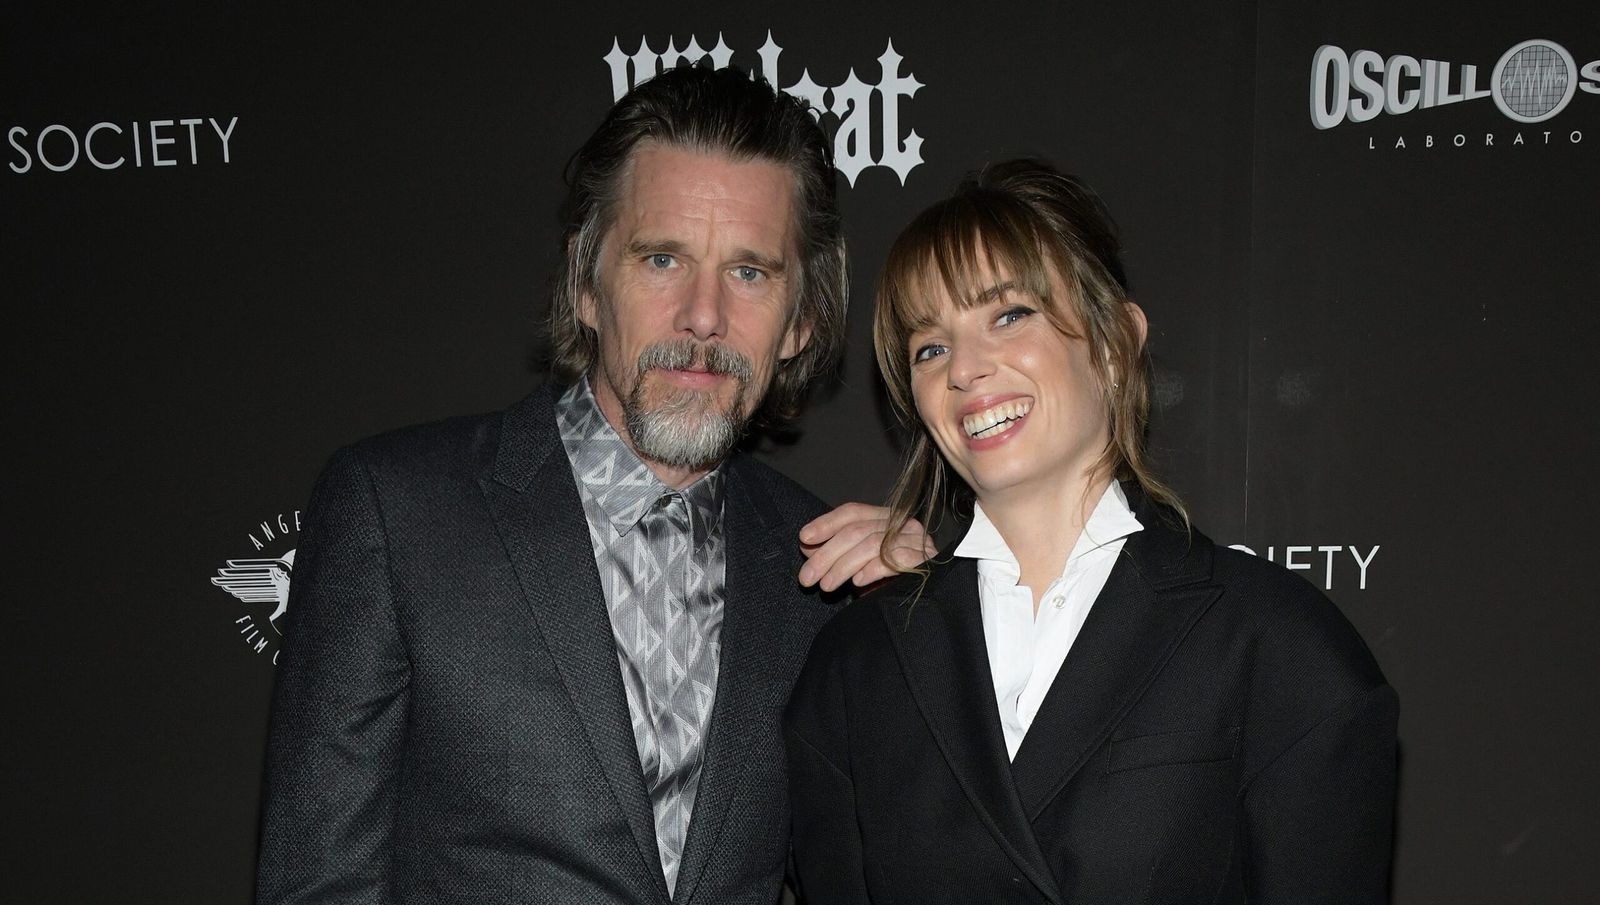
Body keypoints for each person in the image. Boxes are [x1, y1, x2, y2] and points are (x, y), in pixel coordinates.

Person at [256, 64, 929, 904]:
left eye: (750, 272)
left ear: (801, 322)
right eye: (662, 258)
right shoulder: (396, 513)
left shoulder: (822, 573)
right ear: (585, 284)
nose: (704, 314)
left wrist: (929, 630)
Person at [785, 160, 1399, 904]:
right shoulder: (856, 667)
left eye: (1009, 315)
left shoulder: (1284, 649)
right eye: (930, 347)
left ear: (1113, 342)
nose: (965, 369)